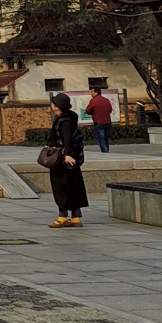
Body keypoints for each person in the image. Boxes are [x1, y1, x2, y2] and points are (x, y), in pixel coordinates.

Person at [46, 91, 88, 226]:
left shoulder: (64, 120)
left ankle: (63, 216)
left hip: (64, 159)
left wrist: (67, 154)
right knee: (74, 185)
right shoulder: (67, 117)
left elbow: (67, 138)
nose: (52, 104)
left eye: (54, 102)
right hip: (70, 158)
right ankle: (75, 217)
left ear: (57, 106)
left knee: (61, 186)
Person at [85, 86, 114, 155]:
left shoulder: (94, 101)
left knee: (101, 138)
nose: (91, 94)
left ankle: (105, 152)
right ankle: (106, 149)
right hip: (107, 121)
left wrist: (93, 113)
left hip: (98, 122)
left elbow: (88, 110)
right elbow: (110, 110)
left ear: (96, 92)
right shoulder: (106, 100)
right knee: (105, 137)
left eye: (92, 92)